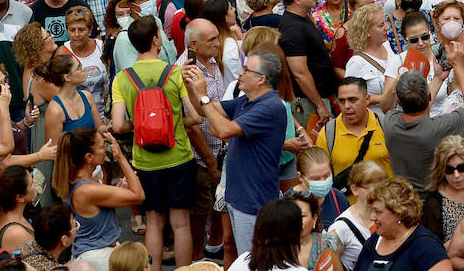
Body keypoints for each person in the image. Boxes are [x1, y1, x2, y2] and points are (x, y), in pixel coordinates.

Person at [109, 15, 198, 269]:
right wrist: (173, 122)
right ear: (156, 39)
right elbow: (193, 116)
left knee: (154, 221)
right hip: (179, 156)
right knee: (180, 223)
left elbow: (117, 125)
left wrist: (140, 125)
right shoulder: (175, 73)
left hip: (145, 161)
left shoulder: (122, 78)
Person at [185, 50, 290, 253]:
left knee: (253, 261)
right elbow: (201, 110)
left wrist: (202, 95)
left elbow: (223, 130)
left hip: (254, 201)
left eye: (246, 69)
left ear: (261, 79)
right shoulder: (246, 101)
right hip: (239, 196)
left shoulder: (270, 106)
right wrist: (191, 86)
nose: (240, 73)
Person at [382, 53, 464, 192]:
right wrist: (458, 64)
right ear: (429, 96)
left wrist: (438, 78)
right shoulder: (437, 128)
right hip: (432, 206)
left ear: (398, 102)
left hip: (401, 202)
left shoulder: (391, 121)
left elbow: (420, 107)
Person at [52, 128, 144, 270]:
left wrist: (119, 189)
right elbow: (138, 196)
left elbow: (99, 205)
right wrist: (120, 157)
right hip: (98, 258)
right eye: (102, 147)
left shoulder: (84, 181)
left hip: (97, 254)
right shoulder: (86, 190)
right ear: (89, 157)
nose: (106, 149)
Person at [359, 178, 451, 271]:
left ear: (399, 213)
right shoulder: (373, 242)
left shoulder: (427, 247)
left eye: (378, 212)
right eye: (371, 210)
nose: (372, 217)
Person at [316, 76, 393, 182]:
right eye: (342, 101)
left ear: (367, 100)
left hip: (385, 198)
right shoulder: (327, 134)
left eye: (353, 100)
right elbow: (321, 178)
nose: (347, 106)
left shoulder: (386, 126)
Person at [327, 161, 388, 271]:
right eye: (373, 187)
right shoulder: (340, 228)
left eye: (383, 185)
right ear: (355, 190)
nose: (380, 191)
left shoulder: (389, 217)